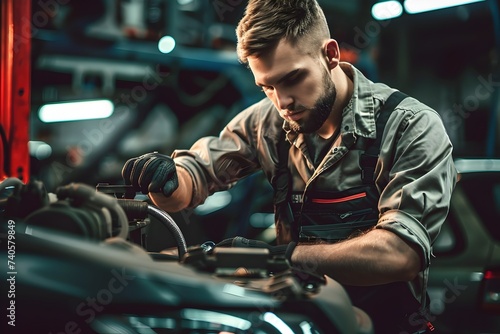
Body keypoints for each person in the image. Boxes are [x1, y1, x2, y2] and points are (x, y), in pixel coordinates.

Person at [122, 0, 457, 332]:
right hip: (301, 323)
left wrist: (276, 257)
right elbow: (195, 177)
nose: (282, 103)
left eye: (292, 78)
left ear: (330, 55)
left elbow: (399, 255)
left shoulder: (410, 127)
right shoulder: (266, 123)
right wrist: (166, 181)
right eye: (267, 86)